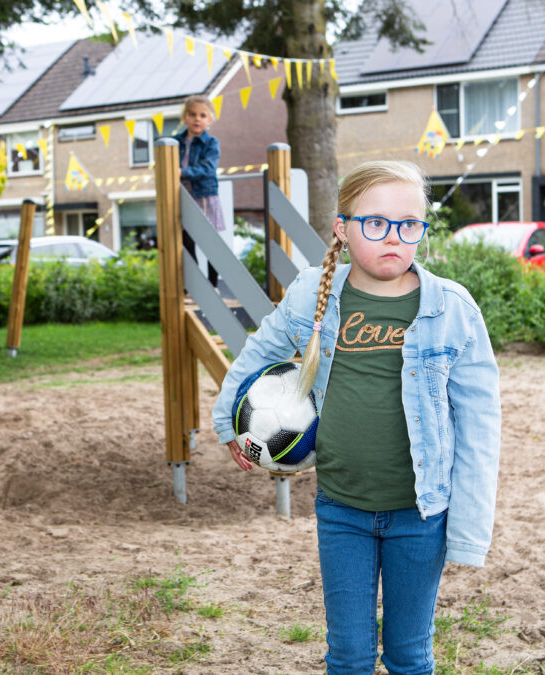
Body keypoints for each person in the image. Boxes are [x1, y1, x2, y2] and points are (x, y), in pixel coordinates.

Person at [211, 160, 501, 674]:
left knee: (410, 655)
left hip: (421, 515)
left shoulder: (451, 310)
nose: (393, 237)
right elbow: (258, 353)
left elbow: (481, 426)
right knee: (348, 655)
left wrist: (468, 532)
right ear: (342, 229)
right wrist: (226, 422)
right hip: (341, 510)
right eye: (375, 223)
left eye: (409, 224)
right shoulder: (313, 296)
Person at [173, 94, 224, 288]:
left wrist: (181, 172)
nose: (197, 119)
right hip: (183, 197)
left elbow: (207, 168)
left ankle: (212, 287)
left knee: (209, 242)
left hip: (204, 196)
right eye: (192, 114)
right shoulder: (175, 142)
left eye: (203, 115)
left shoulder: (211, 143)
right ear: (184, 117)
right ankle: (194, 288)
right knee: (187, 242)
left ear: (210, 119)